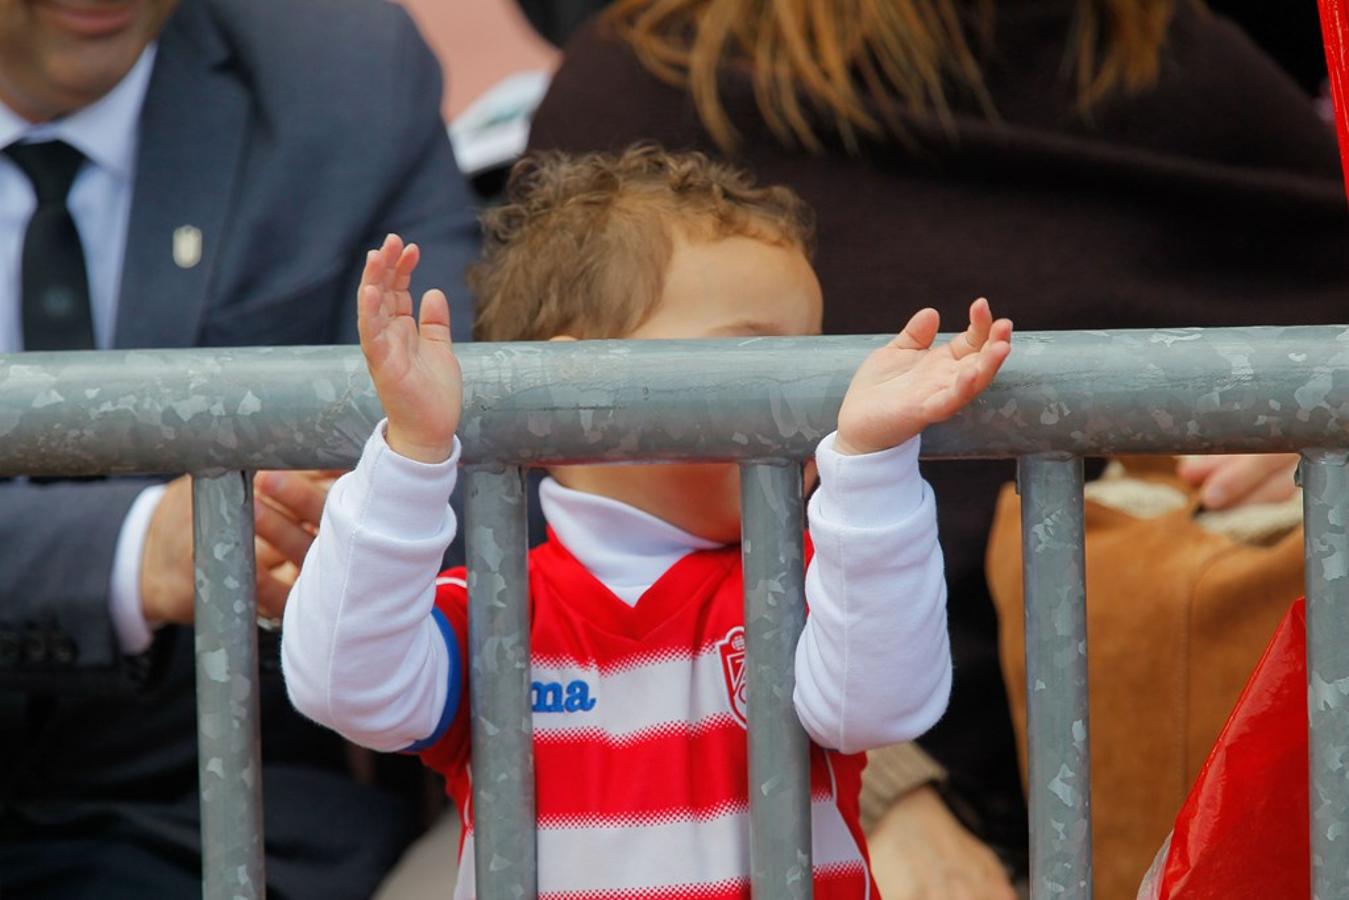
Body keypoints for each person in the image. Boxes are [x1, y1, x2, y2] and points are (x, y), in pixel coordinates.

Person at [524, 1, 1349, 890]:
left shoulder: (1188, 66)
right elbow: (525, 502)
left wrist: (1312, 411)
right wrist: (878, 790)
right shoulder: (652, 75)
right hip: (788, 796)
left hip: (1195, 783)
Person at [281, 146, 1012, 898]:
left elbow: (884, 702)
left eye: (815, 363)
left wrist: (870, 462)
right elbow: (342, 687)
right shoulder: (493, 610)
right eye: (757, 359)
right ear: (576, 391)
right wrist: (410, 456)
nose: (807, 404)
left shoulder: (807, 586)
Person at [0, 0, 477, 896]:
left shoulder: (346, 78)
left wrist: (333, 523)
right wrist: (142, 546)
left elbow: (461, 444)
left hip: (216, 808)